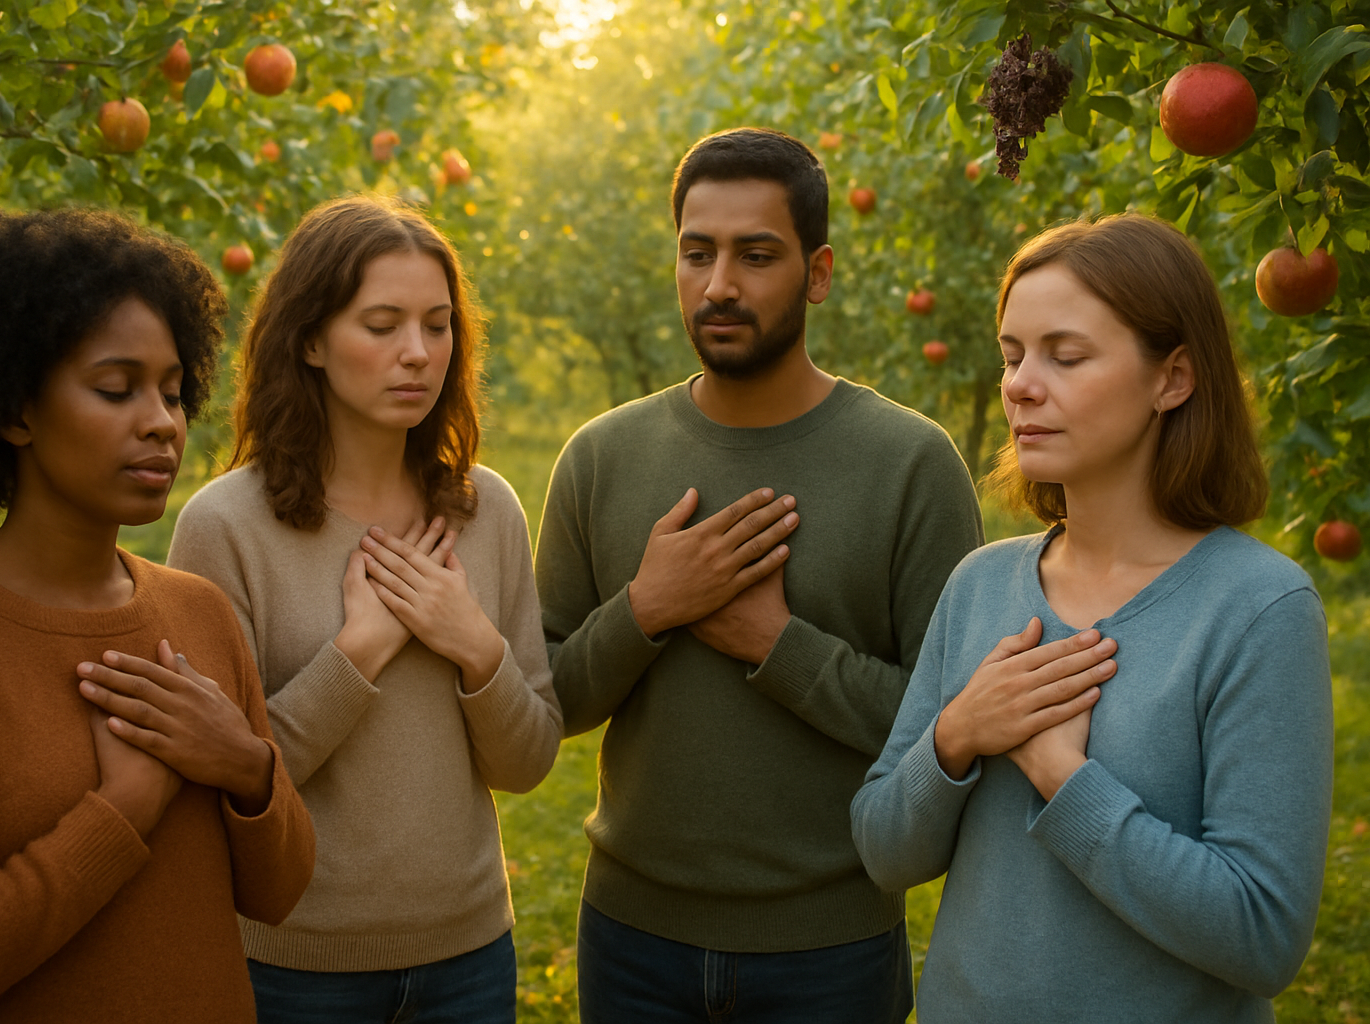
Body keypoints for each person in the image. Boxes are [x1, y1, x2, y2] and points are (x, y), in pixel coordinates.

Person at [534, 127, 983, 1022]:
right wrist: (648, 608)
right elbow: (547, 702)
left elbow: (950, 727)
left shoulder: (910, 466)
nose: (719, 285)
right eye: (697, 253)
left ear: (817, 273)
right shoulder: (600, 457)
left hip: (832, 950)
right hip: (630, 939)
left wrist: (778, 646)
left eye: (756, 255)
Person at [0, 208, 315, 1024]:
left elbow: (279, 894)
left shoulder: (196, 613)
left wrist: (245, 765)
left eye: (171, 391)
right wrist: (120, 812)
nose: (162, 422)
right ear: (12, 409)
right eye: (115, 388)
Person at [851, 212, 1334, 1022]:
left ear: (1172, 378)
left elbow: (1262, 936)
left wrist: (1061, 777)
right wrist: (958, 734)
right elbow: (883, 851)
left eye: (1065, 355)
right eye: (1012, 357)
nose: (1019, 384)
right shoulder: (980, 583)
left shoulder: (1259, 608)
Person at [166, 194, 560, 1023]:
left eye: (437, 324)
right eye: (381, 325)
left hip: (471, 960)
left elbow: (527, 765)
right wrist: (359, 653)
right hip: (294, 969)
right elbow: (225, 779)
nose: (417, 353)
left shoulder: (485, 510)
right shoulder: (226, 527)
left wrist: (474, 643)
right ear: (310, 339)